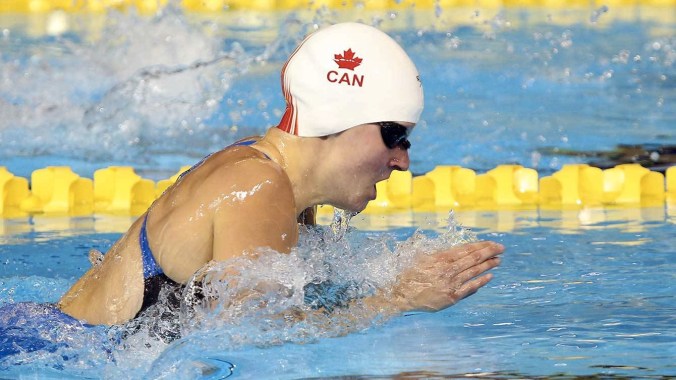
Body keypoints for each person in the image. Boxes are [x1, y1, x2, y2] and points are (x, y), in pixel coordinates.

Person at [55, 22, 504, 326]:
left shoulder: (279, 184)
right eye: (393, 134)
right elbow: (259, 338)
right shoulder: (258, 185)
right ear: (339, 116)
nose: (402, 160)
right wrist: (399, 298)